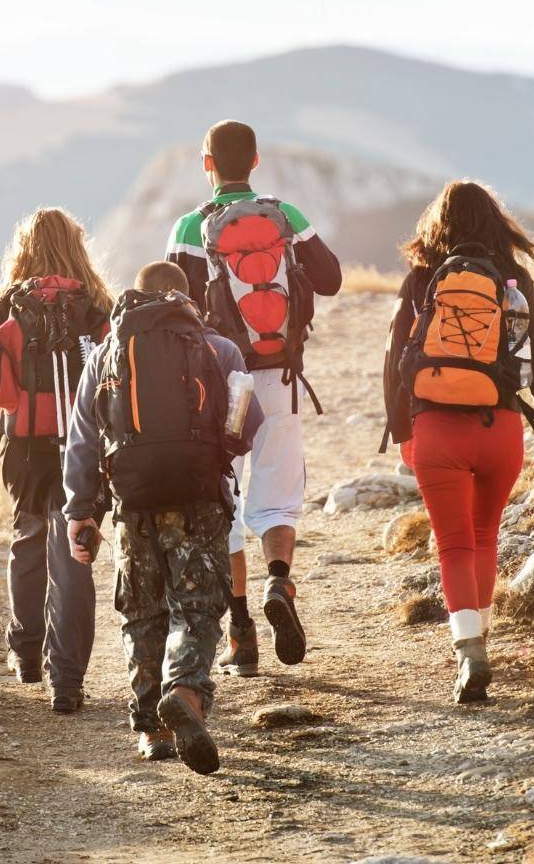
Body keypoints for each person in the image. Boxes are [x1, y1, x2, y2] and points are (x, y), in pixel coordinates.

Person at [63, 261, 263, 773]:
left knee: (142, 612)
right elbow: (246, 416)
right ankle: (186, 693)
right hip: (198, 498)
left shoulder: (108, 352)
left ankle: (151, 729)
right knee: (196, 607)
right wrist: (218, 455)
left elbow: (83, 438)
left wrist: (81, 512)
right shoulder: (218, 348)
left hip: (132, 504)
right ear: (188, 296)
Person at [166, 120, 342, 676]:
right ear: (256, 161)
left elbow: (175, 308)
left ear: (207, 163)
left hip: (221, 384)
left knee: (229, 501)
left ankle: (240, 631)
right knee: (278, 497)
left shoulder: (192, 227)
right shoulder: (285, 217)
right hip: (282, 377)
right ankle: (280, 582)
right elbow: (332, 279)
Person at [383, 181, 534, 702]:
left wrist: (403, 431)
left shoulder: (422, 280)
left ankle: (470, 651)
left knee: (454, 544)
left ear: (437, 227)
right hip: (501, 427)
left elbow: (395, 360)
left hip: (436, 428)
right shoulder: (513, 281)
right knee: (485, 536)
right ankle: (480, 639)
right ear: (495, 222)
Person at [0, 207, 113, 713]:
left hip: (22, 446)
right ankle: (66, 682)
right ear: (77, 245)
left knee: (28, 534)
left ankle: (26, 652)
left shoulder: (6, 304)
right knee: (75, 547)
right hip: (83, 444)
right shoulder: (94, 305)